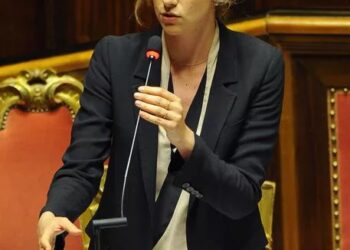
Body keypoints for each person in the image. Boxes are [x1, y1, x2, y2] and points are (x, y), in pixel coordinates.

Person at [38, 0, 284, 249]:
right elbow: (82, 165)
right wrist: (55, 212)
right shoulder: (115, 57)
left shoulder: (259, 65)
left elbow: (240, 197)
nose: (168, 2)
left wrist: (186, 141)